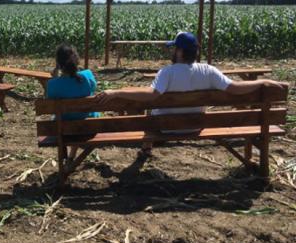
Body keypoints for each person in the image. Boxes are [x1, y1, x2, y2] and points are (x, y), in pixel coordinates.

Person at [95, 31, 284, 157]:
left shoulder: (167, 72)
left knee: (151, 112)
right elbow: (235, 88)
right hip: (196, 126)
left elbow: (151, 94)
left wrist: (116, 91)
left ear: (180, 51)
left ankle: (146, 150)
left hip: (167, 128)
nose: (172, 51)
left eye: (174, 48)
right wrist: (262, 82)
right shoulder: (209, 71)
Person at [46, 44, 99, 162]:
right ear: (77, 60)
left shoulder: (52, 84)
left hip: (63, 130)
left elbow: (51, 98)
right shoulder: (87, 76)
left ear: (59, 63)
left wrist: (55, 76)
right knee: (81, 115)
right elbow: (91, 89)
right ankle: (71, 157)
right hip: (88, 128)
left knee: (64, 116)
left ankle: (68, 157)